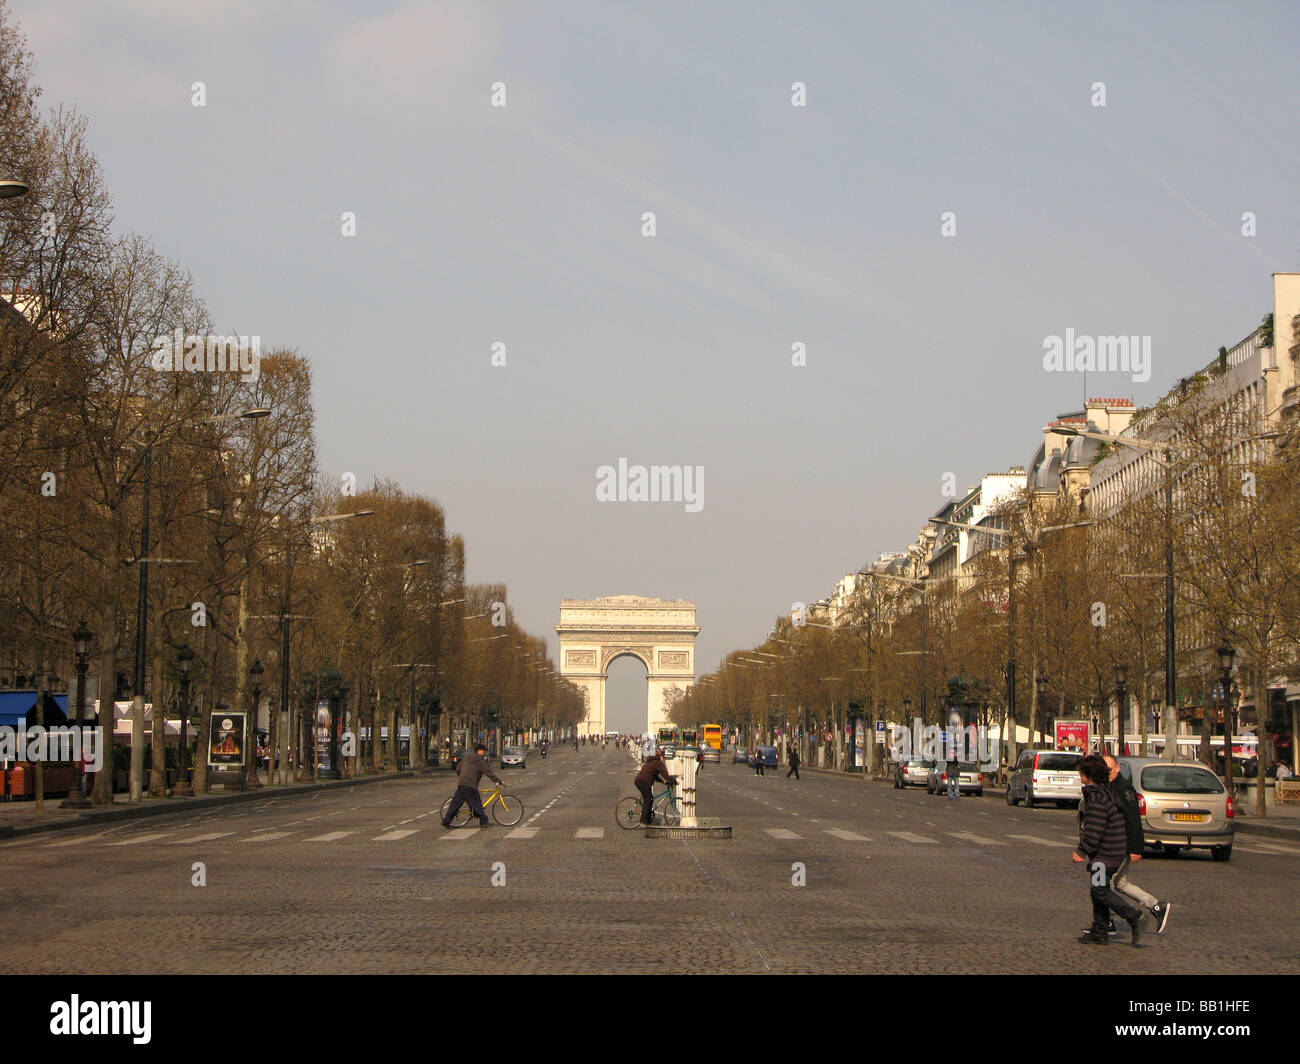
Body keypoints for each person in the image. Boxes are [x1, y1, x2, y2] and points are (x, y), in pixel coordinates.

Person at [1073, 754, 1145, 946]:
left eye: (1081, 771)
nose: (1079, 774)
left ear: (1089, 774)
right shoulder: (1106, 792)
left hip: (1105, 855)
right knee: (1097, 890)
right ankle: (1100, 929)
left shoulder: (1097, 797)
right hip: (1111, 852)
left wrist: (1081, 850)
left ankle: (1133, 916)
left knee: (1101, 891)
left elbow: (1094, 830)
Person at [441, 743, 501, 829]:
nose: (484, 753)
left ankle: (446, 821)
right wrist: (499, 781)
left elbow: (458, 768)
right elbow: (489, 773)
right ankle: (483, 821)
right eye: (483, 751)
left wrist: (462, 775)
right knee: (477, 804)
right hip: (470, 785)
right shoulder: (480, 761)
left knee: (455, 804)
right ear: (479, 751)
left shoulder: (466, 758)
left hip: (462, 783)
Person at [636, 748, 676, 825]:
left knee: (650, 799)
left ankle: (648, 819)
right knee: (647, 800)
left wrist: (663, 781)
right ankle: (643, 821)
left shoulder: (651, 761)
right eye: (663, 756)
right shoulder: (658, 763)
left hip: (639, 780)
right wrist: (673, 780)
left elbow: (654, 775)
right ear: (661, 756)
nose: (663, 758)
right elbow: (664, 774)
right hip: (644, 781)